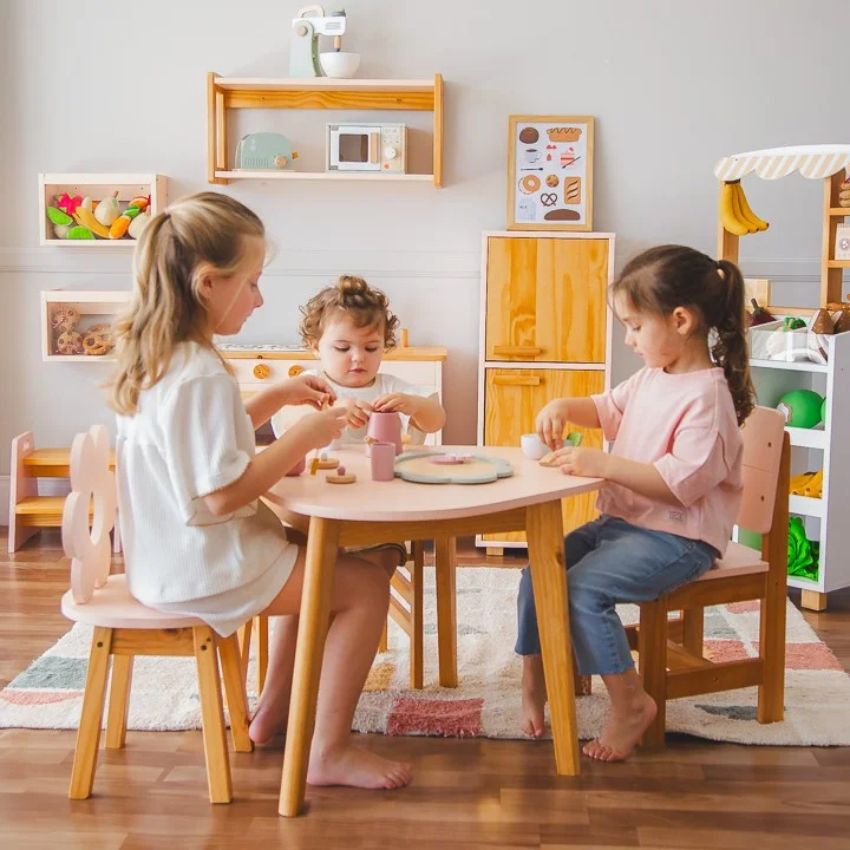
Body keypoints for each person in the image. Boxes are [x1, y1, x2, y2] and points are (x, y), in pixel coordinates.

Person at [109, 192, 412, 790]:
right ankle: (328, 750)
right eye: (250, 283)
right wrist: (305, 435)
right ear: (206, 284)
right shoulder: (199, 373)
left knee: (318, 566)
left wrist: (274, 399)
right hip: (204, 566)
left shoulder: (163, 359)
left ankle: (272, 714)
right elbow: (220, 494)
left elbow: (198, 448)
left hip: (165, 559)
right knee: (363, 588)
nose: (259, 298)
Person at [515, 244, 755, 762]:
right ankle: (536, 673)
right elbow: (605, 407)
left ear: (681, 320)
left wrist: (601, 465)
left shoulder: (706, 400)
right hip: (623, 523)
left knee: (581, 591)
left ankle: (630, 704)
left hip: (677, 537)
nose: (628, 338)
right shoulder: (653, 376)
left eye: (634, 325)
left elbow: (680, 484)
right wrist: (563, 405)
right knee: (538, 568)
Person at [272, 275, 445, 446]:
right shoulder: (312, 383)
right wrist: (331, 410)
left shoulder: (390, 388)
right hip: (321, 471)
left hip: (381, 472)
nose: (359, 357)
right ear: (316, 347)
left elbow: (437, 420)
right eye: (343, 348)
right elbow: (287, 418)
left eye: (371, 348)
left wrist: (414, 405)